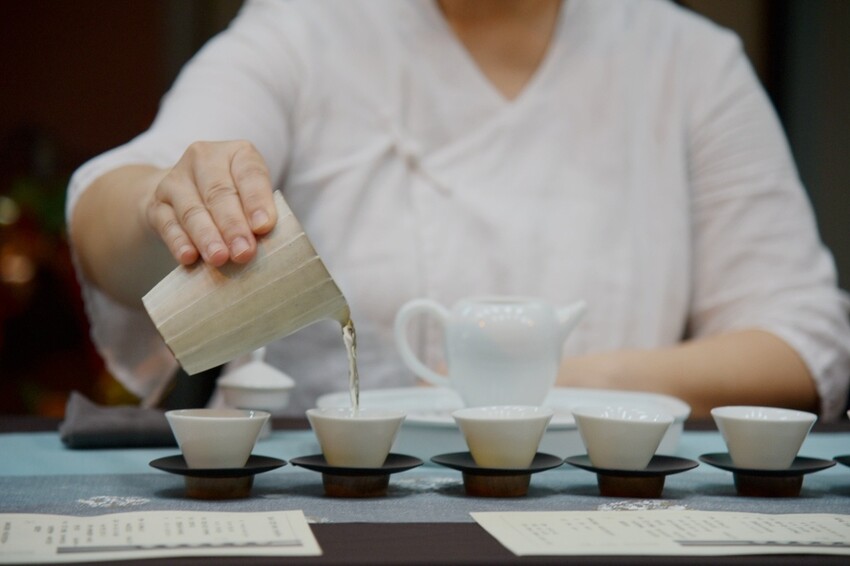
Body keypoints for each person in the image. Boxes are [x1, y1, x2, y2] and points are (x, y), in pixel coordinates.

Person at [67, 0, 850, 420]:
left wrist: (563, 387)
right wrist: (163, 202)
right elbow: (118, 210)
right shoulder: (304, 30)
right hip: (325, 510)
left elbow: (803, 341)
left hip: (608, 510)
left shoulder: (687, 61)